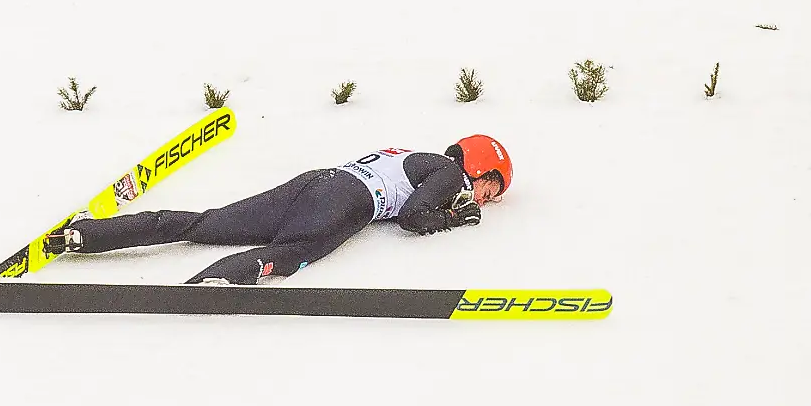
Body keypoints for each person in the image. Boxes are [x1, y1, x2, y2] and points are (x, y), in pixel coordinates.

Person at [43, 134, 513, 285]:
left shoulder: (412, 155)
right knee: (288, 253)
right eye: (492, 184)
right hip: (347, 200)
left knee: (205, 224)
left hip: (315, 183)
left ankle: (88, 234)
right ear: (476, 165)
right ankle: (216, 283)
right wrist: (454, 218)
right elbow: (414, 216)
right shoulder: (448, 173)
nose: (488, 197)